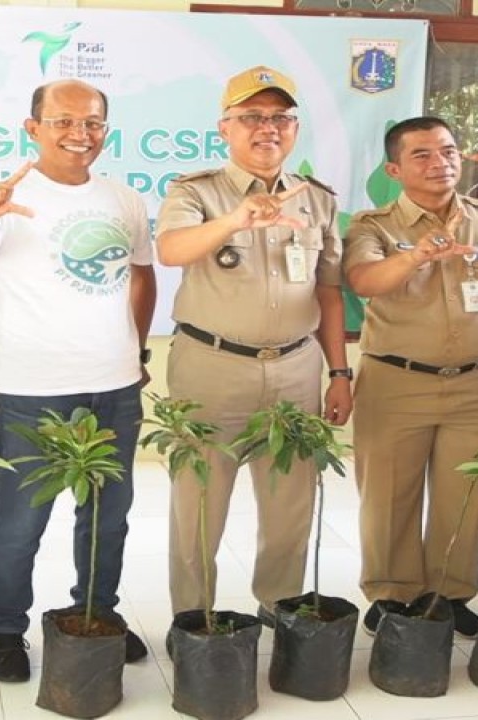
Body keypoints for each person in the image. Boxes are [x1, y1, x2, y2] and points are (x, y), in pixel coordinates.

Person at [0, 79, 156, 683]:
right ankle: (4, 628)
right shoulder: (6, 199)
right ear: (33, 129)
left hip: (115, 388)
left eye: (93, 123)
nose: (80, 134)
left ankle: (97, 612)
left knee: (108, 515)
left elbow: (141, 275)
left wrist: (134, 349)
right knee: (20, 521)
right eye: (63, 122)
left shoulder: (124, 199)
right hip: (35, 392)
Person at [156, 66, 352, 624]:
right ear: (225, 128)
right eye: (252, 117)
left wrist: (340, 373)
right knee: (198, 506)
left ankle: (280, 608)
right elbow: (171, 249)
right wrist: (238, 218)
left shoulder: (317, 199)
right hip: (212, 368)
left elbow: (329, 291)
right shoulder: (195, 191)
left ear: (295, 128)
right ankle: (194, 620)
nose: (268, 128)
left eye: (280, 118)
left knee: (291, 505)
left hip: (295, 368)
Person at [345, 117, 478, 638]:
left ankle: (449, 593)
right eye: (423, 155)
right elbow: (364, 280)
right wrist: (417, 255)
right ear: (394, 170)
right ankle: (391, 593)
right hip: (396, 382)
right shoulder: (374, 225)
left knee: (467, 495)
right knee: (389, 497)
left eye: (449, 151)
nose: (441, 163)